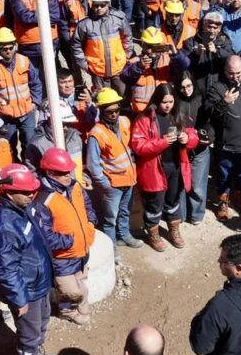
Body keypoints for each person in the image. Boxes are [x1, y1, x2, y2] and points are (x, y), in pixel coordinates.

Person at [0, 164, 64, 355]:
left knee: (41, 322)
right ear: (9, 193)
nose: (33, 194)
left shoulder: (24, 208)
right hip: (26, 290)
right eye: (27, 192)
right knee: (29, 329)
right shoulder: (3, 226)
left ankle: (36, 353)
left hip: (39, 281)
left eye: (33, 190)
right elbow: (6, 269)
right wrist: (18, 299)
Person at [131, 84, 199, 252]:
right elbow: (138, 146)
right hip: (154, 169)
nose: (168, 105)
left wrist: (187, 138)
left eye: (170, 101)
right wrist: (162, 142)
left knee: (173, 200)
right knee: (155, 203)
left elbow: (193, 135)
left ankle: (173, 230)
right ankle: (153, 233)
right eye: (164, 102)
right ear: (156, 101)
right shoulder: (144, 119)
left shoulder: (178, 115)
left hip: (176, 166)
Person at [36, 149, 96, 325]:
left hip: (82, 250)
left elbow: (87, 205)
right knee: (70, 290)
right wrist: (69, 241)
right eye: (62, 173)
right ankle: (68, 311)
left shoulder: (74, 186)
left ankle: (74, 308)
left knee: (80, 281)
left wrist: (90, 224)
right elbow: (44, 235)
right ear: (50, 173)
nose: (68, 176)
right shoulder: (42, 199)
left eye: (69, 171)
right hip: (62, 257)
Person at [205, 55, 241, 221]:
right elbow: (210, 112)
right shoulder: (217, 88)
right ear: (224, 71)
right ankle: (223, 201)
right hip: (226, 145)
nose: (235, 77)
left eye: (239, 73)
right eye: (231, 73)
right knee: (223, 175)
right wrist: (224, 102)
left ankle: (239, 196)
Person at [87, 89, 142, 254]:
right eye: (109, 111)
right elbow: (93, 164)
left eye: (116, 110)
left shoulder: (125, 122)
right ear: (102, 111)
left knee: (125, 212)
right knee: (110, 220)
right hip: (113, 185)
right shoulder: (96, 133)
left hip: (129, 180)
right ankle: (112, 250)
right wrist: (105, 184)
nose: (114, 114)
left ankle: (124, 235)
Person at [0, 27, 43, 155]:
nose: (8, 51)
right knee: (8, 147)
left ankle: (29, 168)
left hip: (27, 113)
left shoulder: (24, 61)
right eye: (5, 49)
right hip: (6, 116)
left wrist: (35, 103)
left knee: (30, 144)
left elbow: (36, 83)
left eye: (10, 48)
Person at [73, 0, 133, 93]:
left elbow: (127, 37)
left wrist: (127, 55)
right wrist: (84, 64)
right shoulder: (84, 25)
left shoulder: (118, 19)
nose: (99, 8)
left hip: (119, 68)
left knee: (123, 98)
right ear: (92, 4)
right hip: (97, 71)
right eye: (96, 5)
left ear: (108, 4)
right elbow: (76, 45)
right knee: (102, 101)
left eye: (102, 5)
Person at [122, 26, 188, 115]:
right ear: (143, 44)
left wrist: (176, 55)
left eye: (156, 46)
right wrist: (139, 67)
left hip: (163, 111)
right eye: (149, 46)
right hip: (142, 113)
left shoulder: (168, 59)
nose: (152, 50)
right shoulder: (135, 62)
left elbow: (185, 67)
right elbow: (124, 77)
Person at [176, 71, 211, 225]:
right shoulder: (175, 102)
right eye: (182, 87)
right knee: (181, 184)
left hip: (200, 149)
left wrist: (207, 138)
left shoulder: (202, 99)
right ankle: (182, 215)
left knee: (198, 185)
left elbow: (211, 122)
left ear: (193, 84)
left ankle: (196, 214)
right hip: (181, 148)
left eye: (189, 85)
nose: (186, 90)